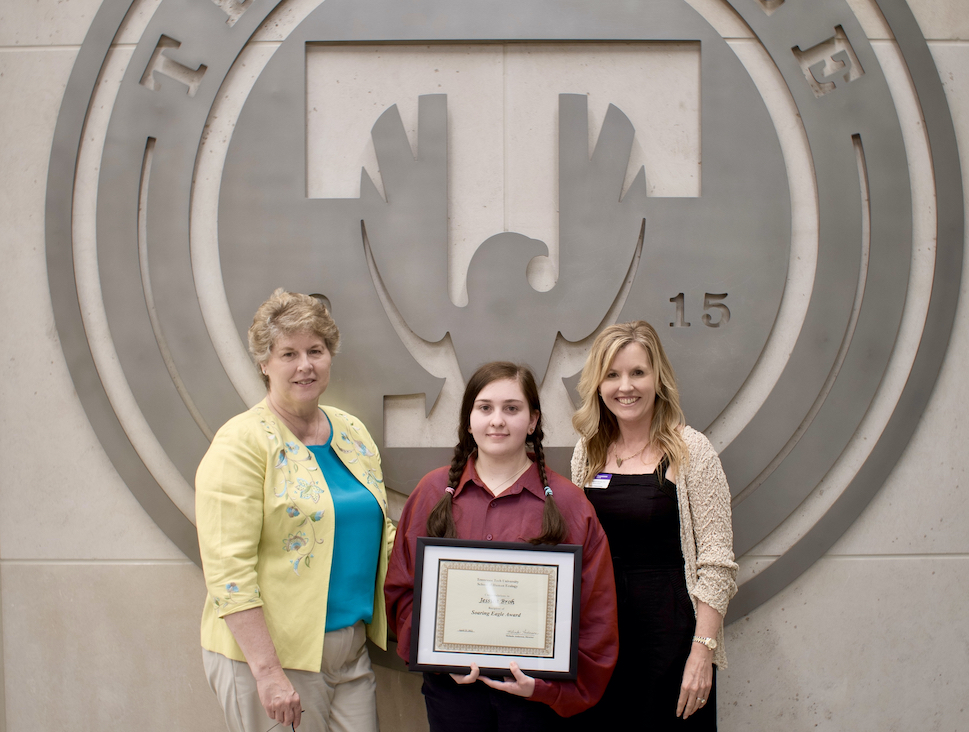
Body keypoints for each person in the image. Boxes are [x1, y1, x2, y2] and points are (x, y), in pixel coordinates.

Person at [196, 289, 394, 732]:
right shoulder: (240, 443)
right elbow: (229, 571)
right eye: (289, 353)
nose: (305, 365)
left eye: (315, 351)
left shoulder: (352, 431)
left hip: (350, 649)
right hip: (272, 659)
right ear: (264, 363)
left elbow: (382, 534)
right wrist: (267, 673)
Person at [384, 362, 618, 731]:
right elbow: (402, 589)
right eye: (485, 408)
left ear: (533, 420)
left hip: (536, 704)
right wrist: (437, 654)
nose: (497, 420)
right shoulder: (430, 493)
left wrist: (547, 688)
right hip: (452, 697)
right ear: (468, 420)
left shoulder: (570, 505)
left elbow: (596, 611)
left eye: (512, 408)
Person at [570, 321, 737, 730]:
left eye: (638, 372)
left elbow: (717, 563)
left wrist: (702, 651)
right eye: (612, 374)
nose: (625, 386)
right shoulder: (587, 451)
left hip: (672, 639)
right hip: (601, 637)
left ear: (658, 378)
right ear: (598, 384)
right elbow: (576, 545)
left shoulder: (692, 450)